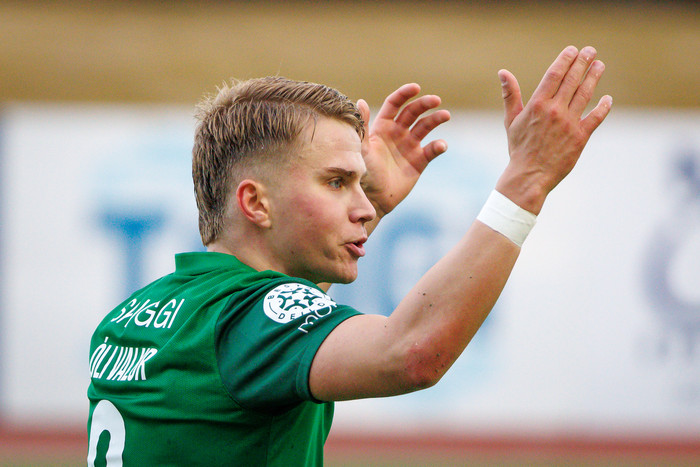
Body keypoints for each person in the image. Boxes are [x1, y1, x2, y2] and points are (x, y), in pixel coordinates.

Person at [87, 45, 611, 466]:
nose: (362, 207)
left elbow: (274, 331)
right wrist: (526, 181)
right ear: (256, 203)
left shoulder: (132, 317)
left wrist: (372, 200)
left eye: (360, 184)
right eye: (337, 182)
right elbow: (411, 353)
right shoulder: (247, 320)